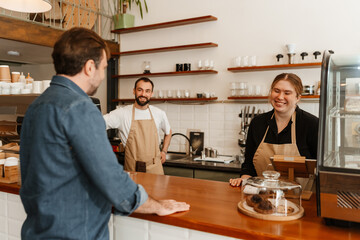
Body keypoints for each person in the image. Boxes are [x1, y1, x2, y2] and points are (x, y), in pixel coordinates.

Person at [19, 27, 189, 239]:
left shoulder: (36, 106)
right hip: (75, 233)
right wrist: (155, 205)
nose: (102, 76)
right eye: (104, 68)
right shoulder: (80, 107)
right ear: (90, 67)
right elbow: (110, 179)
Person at [229, 73, 319, 187]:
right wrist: (243, 180)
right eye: (276, 91)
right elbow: (248, 166)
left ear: (297, 98)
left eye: (287, 93)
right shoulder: (257, 123)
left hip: (301, 200)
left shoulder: (311, 124)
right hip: (262, 198)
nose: (280, 97)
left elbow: (320, 170)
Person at [103, 77, 171, 174]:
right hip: (132, 169)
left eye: (147, 91)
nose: (143, 94)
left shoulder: (159, 113)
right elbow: (97, 124)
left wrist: (164, 151)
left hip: (155, 168)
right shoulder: (122, 113)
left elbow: (168, 132)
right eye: (140, 90)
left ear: (151, 93)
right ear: (134, 91)